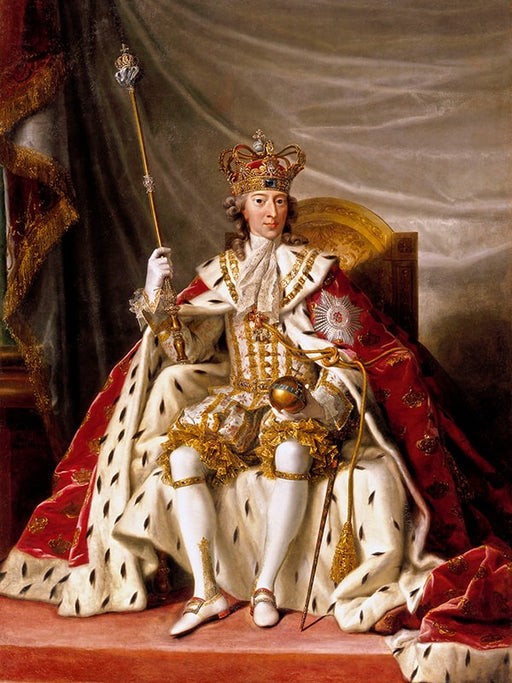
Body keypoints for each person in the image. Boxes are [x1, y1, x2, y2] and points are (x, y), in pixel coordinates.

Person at [1, 131, 511, 680]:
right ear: (241, 209)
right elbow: (184, 351)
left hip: (301, 402)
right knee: (182, 459)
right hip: (241, 402)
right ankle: (207, 591)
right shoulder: (220, 274)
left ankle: (264, 586)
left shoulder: (315, 271)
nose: (272, 211)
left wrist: (320, 400)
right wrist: (156, 295)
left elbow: (356, 350)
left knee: (292, 453)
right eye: (261, 200)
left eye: (280, 200)